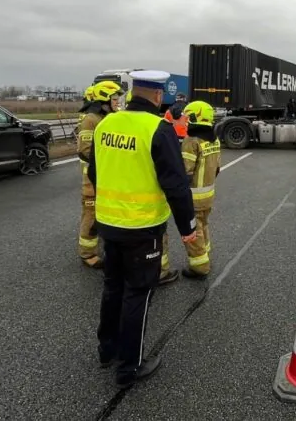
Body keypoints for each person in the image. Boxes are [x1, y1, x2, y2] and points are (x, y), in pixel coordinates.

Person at [87, 70, 197, 388]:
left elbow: (95, 172)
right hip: (143, 227)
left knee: (112, 287)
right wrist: (187, 226)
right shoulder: (158, 129)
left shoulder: (107, 123)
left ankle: (106, 350)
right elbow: (176, 185)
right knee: (138, 293)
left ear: (133, 92)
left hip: (109, 224)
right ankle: (129, 366)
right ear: (159, 96)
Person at [77, 80, 123, 268]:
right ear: (104, 99)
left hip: (109, 178)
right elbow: (85, 149)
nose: (117, 102)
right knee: (91, 215)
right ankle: (87, 253)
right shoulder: (91, 119)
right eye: (114, 98)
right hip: (93, 179)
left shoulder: (111, 118)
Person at [179, 100, 221, 279]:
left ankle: (200, 267)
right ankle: (206, 253)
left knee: (193, 230)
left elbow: (185, 171)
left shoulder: (191, 140)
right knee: (203, 224)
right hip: (208, 195)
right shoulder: (214, 138)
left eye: (188, 116)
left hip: (193, 197)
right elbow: (217, 168)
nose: (186, 120)